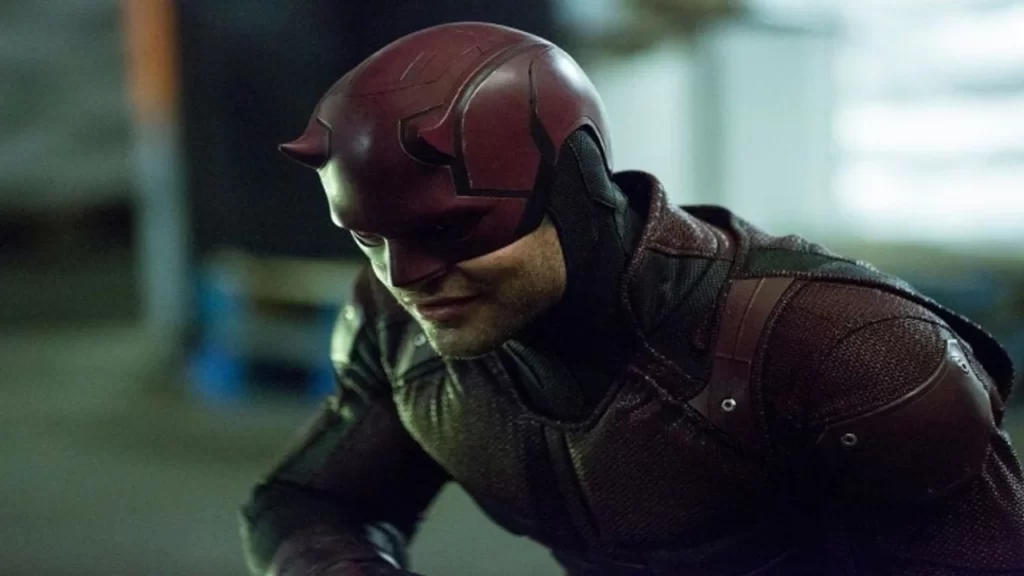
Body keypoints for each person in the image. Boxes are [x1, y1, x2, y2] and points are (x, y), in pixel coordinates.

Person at [240, 22, 1024, 575]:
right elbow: (308, 504)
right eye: (370, 238)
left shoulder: (844, 347)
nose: (405, 276)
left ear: (575, 192)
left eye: (450, 229)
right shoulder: (400, 328)